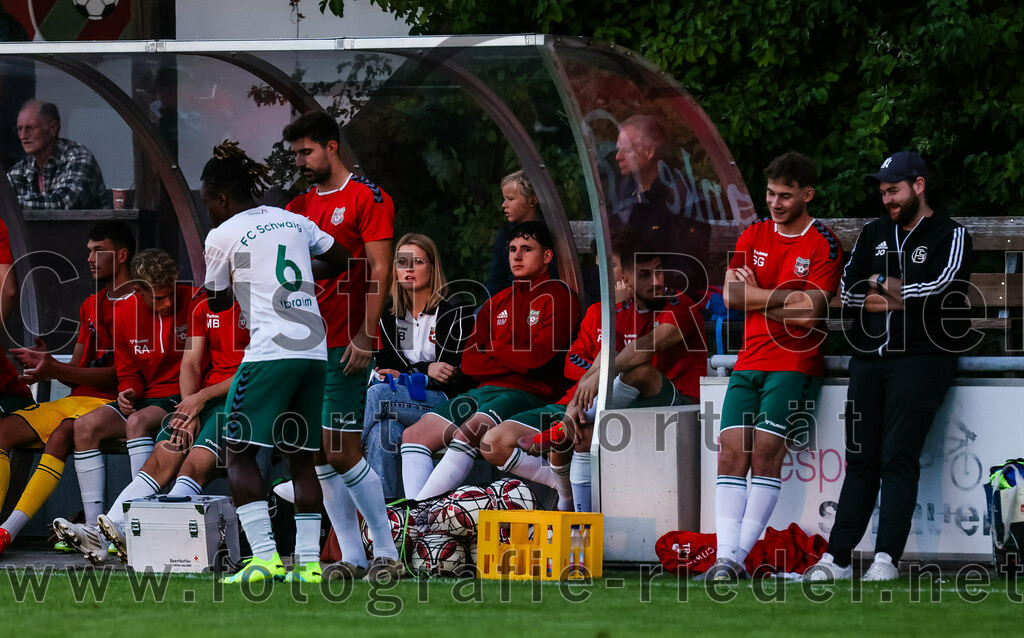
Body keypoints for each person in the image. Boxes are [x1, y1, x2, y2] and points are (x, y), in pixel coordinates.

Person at [806, 152, 974, 582]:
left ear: (919, 185)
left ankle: (886, 560)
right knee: (860, 458)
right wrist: (888, 289)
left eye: (893, 190)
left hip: (922, 359)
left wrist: (882, 286)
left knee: (898, 456)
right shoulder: (873, 233)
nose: (887, 200)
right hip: (869, 359)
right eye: (882, 192)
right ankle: (838, 559)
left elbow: (939, 289)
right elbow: (849, 288)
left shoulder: (950, 234)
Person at [199, 140, 352, 585]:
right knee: (301, 457)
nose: (208, 210)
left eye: (208, 201)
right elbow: (341, 258)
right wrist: (298, 272)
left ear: (222, 198)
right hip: (313, 352)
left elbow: (216, 300)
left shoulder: (222, 234)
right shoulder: (294, 220)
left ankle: (264, 557)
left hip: (270, 352)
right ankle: (305, 563)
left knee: (238, 452)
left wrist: (244, 278)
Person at [500, 231, 707, 512]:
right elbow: (599, 357)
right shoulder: (618, 309)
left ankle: (566, 427)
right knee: (583, 435)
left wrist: (598, 378)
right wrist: (576, 400)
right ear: (629, 280)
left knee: (638, 371)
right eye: (646, 274)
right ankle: (576, 519)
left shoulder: (679, 304)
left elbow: (644, 348)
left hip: (680, 405)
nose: (657, 281)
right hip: (633, 404)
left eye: (659, 272)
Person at [708, 151, 842, 581]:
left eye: (786, 195)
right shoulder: (754, 234)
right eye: (770, 193)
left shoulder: (823, 241)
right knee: (731, 452)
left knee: (765, 454)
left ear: (808, 194)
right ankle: (725, 557)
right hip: (750, 360)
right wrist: (786, 297)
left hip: (794, 363)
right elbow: (731, 297)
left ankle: (735, 560)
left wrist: (759, 296)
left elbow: (810, 315)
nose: (776, 202)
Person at [283, 111, 403, 581]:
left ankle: (388, 553)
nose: (300, 161)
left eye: (306, 151)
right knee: (317, 451)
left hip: (345, 341)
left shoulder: (367, 197)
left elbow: (379, 268)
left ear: (332, 147)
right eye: (295, 154)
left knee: (340, 447)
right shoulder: (296, 207)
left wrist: (366, 333)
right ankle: (352, 557)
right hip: (304, 344)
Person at [400, 221, 580, 502]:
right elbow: (470, 362)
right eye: (512, 249)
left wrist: (493, 349)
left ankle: (419, 515)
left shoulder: (559, 296)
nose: (517, 256)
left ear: (546, 256)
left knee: (470, 431)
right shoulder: (496, 302)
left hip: (530, 392)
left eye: (526, 249)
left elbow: (538, 360)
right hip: (484, 391)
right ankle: (420, 516)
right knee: (414, 435)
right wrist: (514, 353)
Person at [53, 248, 195, 564]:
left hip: (180, 396)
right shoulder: (124, 314)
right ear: (137, 290)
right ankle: (93, 528)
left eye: (170, 293)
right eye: (158, 298)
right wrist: (127, 391)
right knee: (85, 425)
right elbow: (127, 371)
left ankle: (136, 527)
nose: (168, 303)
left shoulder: (195, 300)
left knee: (137, 422)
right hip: (144, 398)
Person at [0, 222, 134, 556]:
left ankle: (6, 532)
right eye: (88, 250)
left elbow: (125, 376)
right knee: (3, 431)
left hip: (112, 406)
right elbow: (77, 373)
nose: (89, 258)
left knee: (63, 433)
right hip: (77, 401)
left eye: (98, 250)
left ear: (121, 255)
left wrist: (56, 368)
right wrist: (43, 366)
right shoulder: (90, 304)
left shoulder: (141, 302)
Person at [94, 289, 249, 562]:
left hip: (243, 399)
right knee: (159, 460)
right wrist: (191, 407)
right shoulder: (203, 305)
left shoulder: (256, 300)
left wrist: (200, 398)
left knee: (192, 467)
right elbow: (189, 363)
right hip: (206, 397)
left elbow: (254, 370)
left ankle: (159, 541)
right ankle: (108, 531)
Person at [366, 233, 475, 501]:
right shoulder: (389, 318)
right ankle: (387, 518)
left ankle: (333, 467)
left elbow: (454, 374)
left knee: (378, 395)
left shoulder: (454, 312)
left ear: (433, 267)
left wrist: (413, 374)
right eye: (402, 262)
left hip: (448, 403)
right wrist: (425, 370)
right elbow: (386, 371)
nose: (409, 269)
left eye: (418, 262)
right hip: (403, 403)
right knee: (385, 432)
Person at [610, 114, 709, 299]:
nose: (618, 157)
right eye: (618, 150)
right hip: (624, 296)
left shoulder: (680, 195)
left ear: (649, 151)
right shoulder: (622, 194)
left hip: (667, 301)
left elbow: (689, 266)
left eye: (625, 150)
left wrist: (639, 286)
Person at [7, 100, 109, 210]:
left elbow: (65, 203)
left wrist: (11, 205)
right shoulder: (19, 169)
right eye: (19, 129)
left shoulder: (79, 157)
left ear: (53, 128)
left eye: (30, 127)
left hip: (91, 227)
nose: (23, 136)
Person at [485, 171, 556, 297]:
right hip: (507, 300)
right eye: (504, 199)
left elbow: (554, 274)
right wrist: (491, 306)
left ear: (532, 200)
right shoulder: (505, 234)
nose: (503, 205)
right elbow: (496, 278)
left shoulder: (548, 234)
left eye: (510, 199)